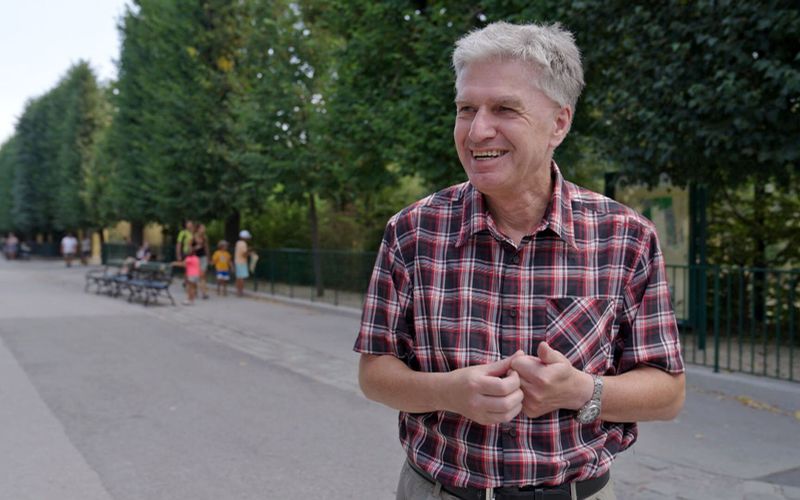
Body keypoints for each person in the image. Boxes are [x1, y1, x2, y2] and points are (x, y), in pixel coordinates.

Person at [354, 22, 685, 500]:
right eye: (466, 109)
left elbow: (668, 393)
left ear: (559, 123)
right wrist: (449, 392)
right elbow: (375, 375)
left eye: (504, 109)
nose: (477, 129)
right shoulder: (412, 231)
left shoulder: (625, 237)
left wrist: (580, 391)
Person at [192, 223, 211, 299]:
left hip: (203, 258)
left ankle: (204, 293)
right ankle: (195, 290)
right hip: (195, 258)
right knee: (196, 275)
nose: (204, 229)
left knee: (202, 275)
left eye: (204, 228)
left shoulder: (204, 237)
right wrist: (195, 248)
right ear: (198, 229)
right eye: (202, 228)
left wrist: (208, 258)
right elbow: (188, 249)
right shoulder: (193, 237)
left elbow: (206, 248)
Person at [234, 230, 252, 297]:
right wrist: (249, 252)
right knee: (241, 278)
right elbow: (244, 254)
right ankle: (241, 292)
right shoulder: (244, 244)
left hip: (237, 261)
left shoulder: (238, 243)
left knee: (238, 277)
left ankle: (238, 291)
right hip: (242, 262)